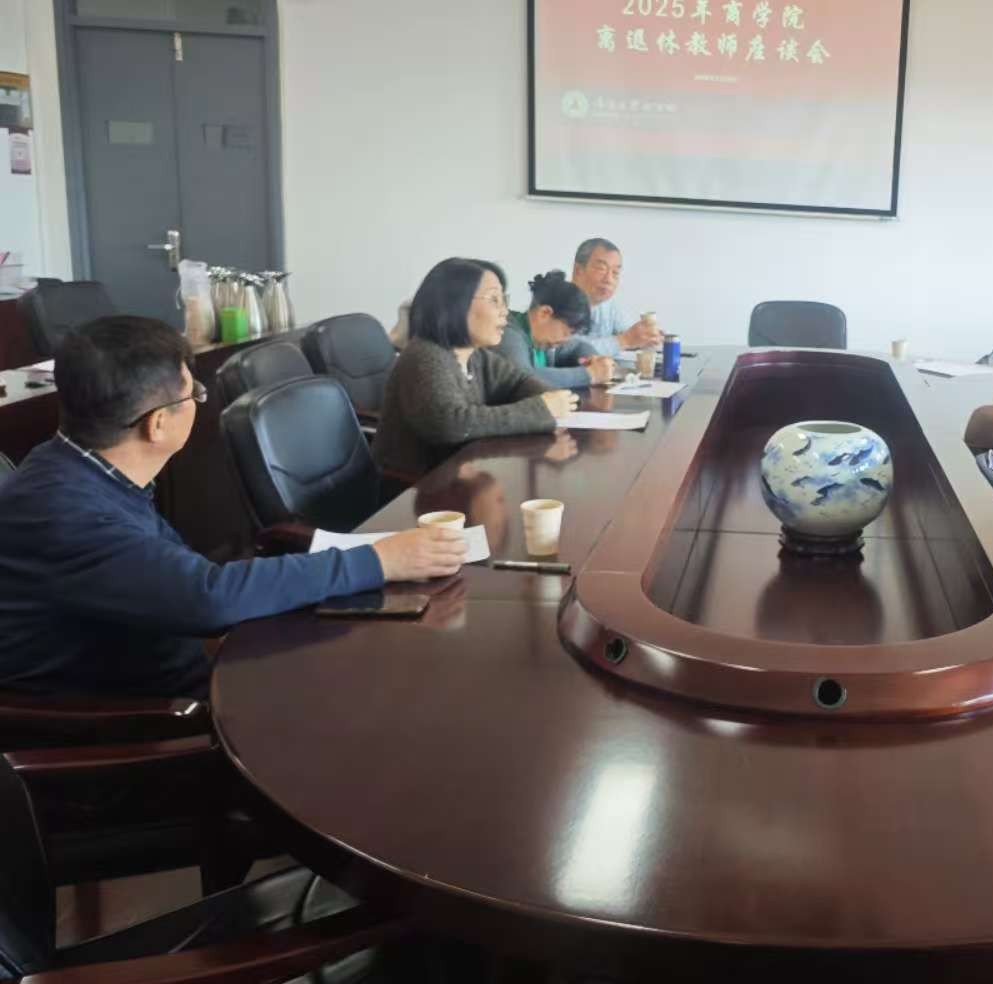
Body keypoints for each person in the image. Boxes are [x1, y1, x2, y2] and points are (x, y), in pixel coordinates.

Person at [0, 317, 466, 698]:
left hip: (164, 664)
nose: (198, 403)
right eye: (194, 395)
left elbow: (188, 581)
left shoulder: (65, 463)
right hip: (141, 721)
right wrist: (378, 560)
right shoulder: (66, 515)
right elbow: (210, 597)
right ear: (158, 424)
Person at [375, 258, 579, 479]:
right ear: (455, 303)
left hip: (457, 474)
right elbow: (452, 424)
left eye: (504, 300)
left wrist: (551, 399)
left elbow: (518, 382)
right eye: (494, 300)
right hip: (411, 486)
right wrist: (540, 411)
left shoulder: (476, 355)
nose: (504, 311)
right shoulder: (426, 355)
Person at [494, 270, 616, 390]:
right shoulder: (506, 333)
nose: (566, 340)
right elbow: (522, 378)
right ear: (544, 313)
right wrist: (589, 374)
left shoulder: (543, 338)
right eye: (566, 333)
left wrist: (594, 360)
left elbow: (578, 346)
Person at [570, 238, 664, 357]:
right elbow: (568, 352)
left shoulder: (607, 305)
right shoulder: (558, 301)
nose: (609, 279)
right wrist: (625, 340)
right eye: (601, 269)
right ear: (578, 270)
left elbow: (628, 332)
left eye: (615, 272)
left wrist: (646, 337)